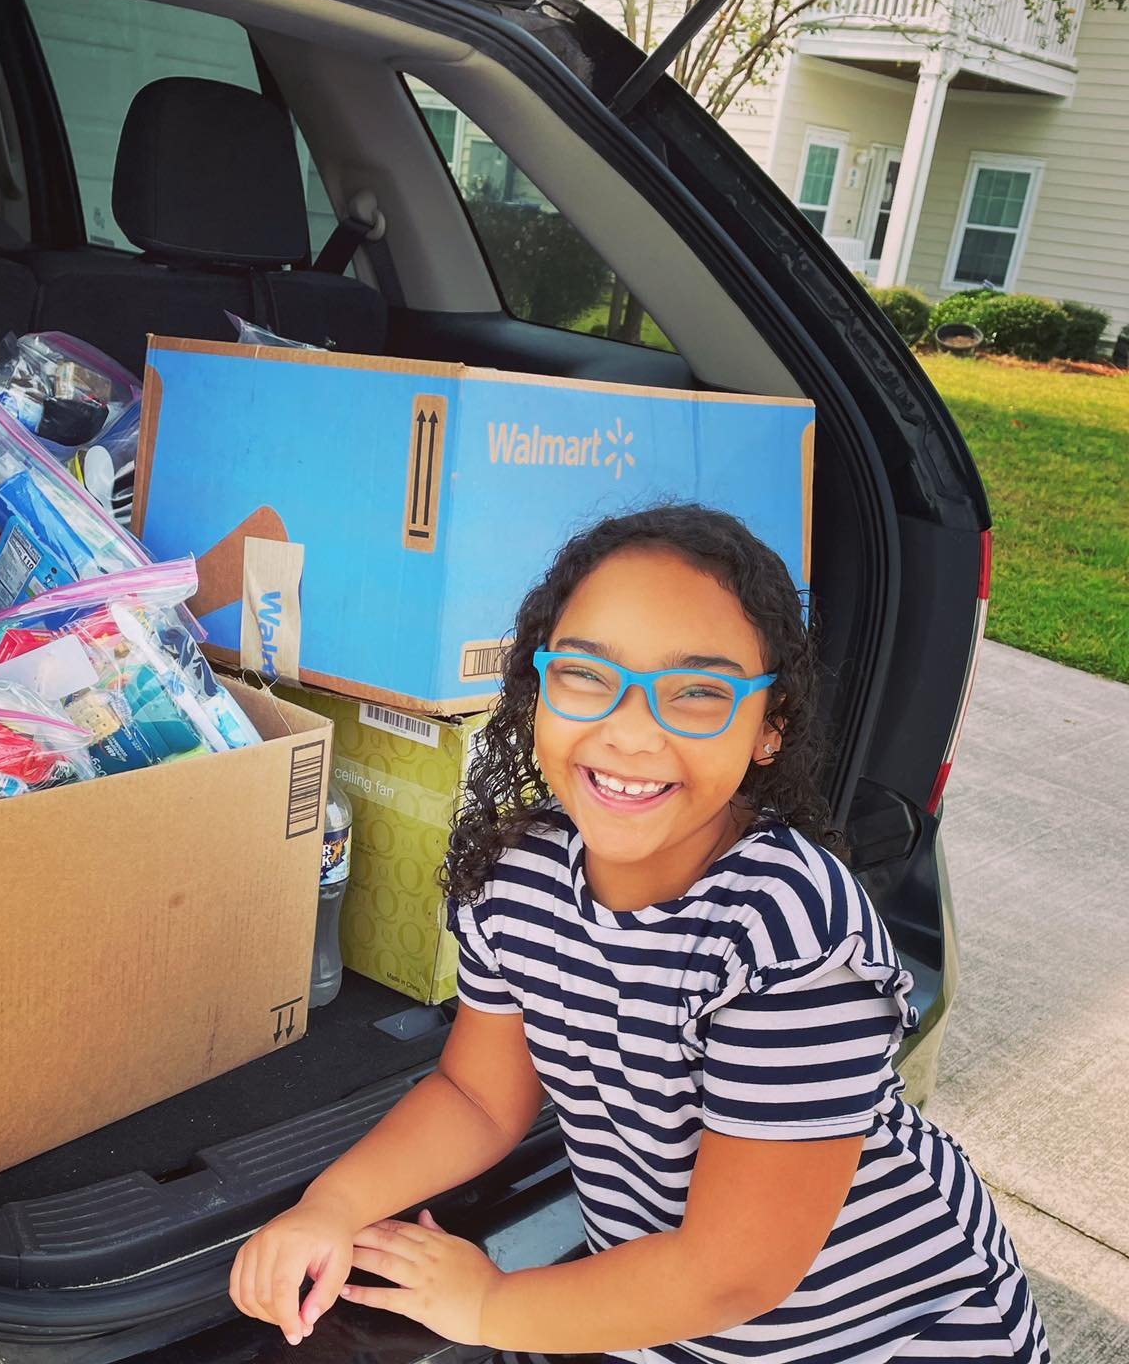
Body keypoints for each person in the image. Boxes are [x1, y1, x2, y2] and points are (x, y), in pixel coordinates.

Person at [230, 504, 1048, 1363]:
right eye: (587, 674)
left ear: (770, 725)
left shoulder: (787, 934)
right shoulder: (519, 877)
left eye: (698, 692)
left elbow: (732, 1275)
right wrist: (332, 1206)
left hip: (898, 1334)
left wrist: (490, 1305)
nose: (629, 730)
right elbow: (478, 1098)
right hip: (675, 1325)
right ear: (537, 685)